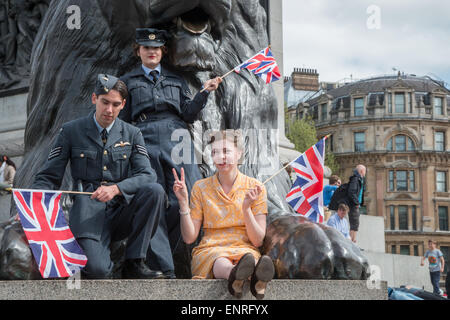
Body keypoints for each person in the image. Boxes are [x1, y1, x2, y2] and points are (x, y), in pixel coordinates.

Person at [31, 74, 167, 279]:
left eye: (115, 104)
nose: (109, 110)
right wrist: (31, 204)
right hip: (88, 211)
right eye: (105, 102)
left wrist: (116, 189)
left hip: (121, 208)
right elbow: (49, 176)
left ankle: (135, 262)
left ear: (123, 104)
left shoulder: (132, 133)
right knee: (97, 271)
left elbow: (147, 175)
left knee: (154, 191)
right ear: (94, 98)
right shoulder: (71, 131)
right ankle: (92, 259)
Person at [120, 28, 222, 279]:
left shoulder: (176, 80)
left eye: (156, 48)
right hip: (142, 136)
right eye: (146, 48)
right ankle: (164, 267)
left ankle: (181, 255)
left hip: (177, 137)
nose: (151, 52)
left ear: (163, 52)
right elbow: (122, 118)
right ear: (138, 51)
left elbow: (188, 113)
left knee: (184, 198)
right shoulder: (127, 81)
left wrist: (204, 93)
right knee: (153, 200)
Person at [172, 130, 274, 299]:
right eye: (215, 152)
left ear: (239, 153)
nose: (221, 157)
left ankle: (253, 273)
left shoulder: (255, 187)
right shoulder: (200, 187)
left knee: (250, 259)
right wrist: (183, 202)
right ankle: (241, 276)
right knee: (220, 260)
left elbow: (257, 240)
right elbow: (189, 238)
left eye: (226, 151)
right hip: (210, 249)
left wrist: (246, 209)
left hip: (244, 248)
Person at [346, 164, 366, 243]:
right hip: (353, 205)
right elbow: (351, 192)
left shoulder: (359, 179)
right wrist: (356, 202)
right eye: (365, 171)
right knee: (354, 224)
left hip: (356, 205)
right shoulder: (355, 179)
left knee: (355, 224)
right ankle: (351, 242)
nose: (365, 173)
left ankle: (353, 241)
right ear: (361, 171)